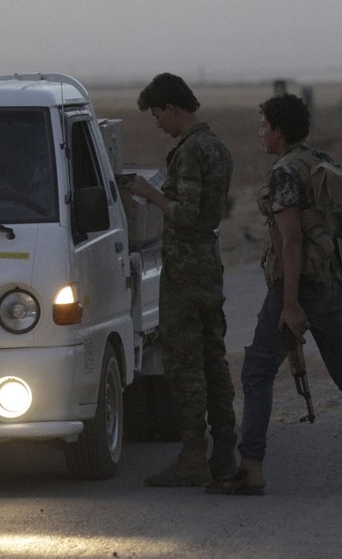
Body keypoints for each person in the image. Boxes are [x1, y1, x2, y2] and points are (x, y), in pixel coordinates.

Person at [208, 94, 342, 495]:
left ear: (278, 131)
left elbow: (291, 241)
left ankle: (252, 469)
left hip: (295, 289)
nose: (259, 133)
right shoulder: (319, 163)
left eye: (263, 126)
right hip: (328, 285)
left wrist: (291, 303)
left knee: (257, 373)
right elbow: (340, 233)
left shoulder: (285, 174)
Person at [126, 73, 238, 487]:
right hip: (207, 263)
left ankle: (194, 455)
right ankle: (224, 449)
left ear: (172, 107)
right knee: (213, 359)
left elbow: (188, 215)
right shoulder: (217, 147)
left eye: (159, 116)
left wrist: (150, 194)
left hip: (186, 267)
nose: (159, 125)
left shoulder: (192, 152)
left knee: (185, 363)